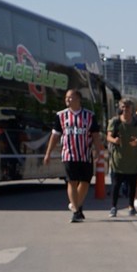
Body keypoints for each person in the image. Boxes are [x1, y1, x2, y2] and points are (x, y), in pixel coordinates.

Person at [41, 88, 94, 222]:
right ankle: (76, 211)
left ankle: (76, 204)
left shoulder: (89, 116)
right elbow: (55, 136)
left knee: (85, 182)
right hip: (69, 154)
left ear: (78, 99)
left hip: (85, 154)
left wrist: (99, 151)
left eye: (70, 97)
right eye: (66, 98)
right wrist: (48, 153)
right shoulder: (61, 116)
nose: (67, 100)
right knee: (72, 181)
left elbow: (96, 136)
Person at [105, 97, 137, 218]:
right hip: (118, 160)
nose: (125, 110)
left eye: (127, 107)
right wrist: (115, 140)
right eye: (122, 107)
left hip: (133, 160)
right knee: (116, 185)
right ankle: (113, 208)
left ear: (132, 109)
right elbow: (108, 137)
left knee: (132, 186)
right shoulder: (115, 121)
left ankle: (131, 207)